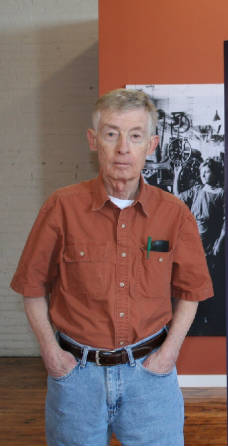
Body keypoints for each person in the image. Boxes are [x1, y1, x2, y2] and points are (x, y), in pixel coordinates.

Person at [10, 89, 213, 446]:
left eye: (135, 136)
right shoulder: (61, 208)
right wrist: (51, 354)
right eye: (111, 133)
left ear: (151, 145)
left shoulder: (174, 214)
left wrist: (169, 354)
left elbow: (191, 292)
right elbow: (31, 287)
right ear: (93, 141)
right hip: (76, 380)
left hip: (150, 378)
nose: (123, 147)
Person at [173, 158, 225, 334]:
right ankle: (193, 318)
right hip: (192, 244)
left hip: (210, 245)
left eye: (207, 171)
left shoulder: (221, 193)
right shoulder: (196, 190)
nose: (203, 175)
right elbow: (177, 199)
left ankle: (208, 318)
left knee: (209, 281)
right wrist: (176, 174)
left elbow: (226, 222)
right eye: (202, 171)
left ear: (216, 172)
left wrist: (219, 242)